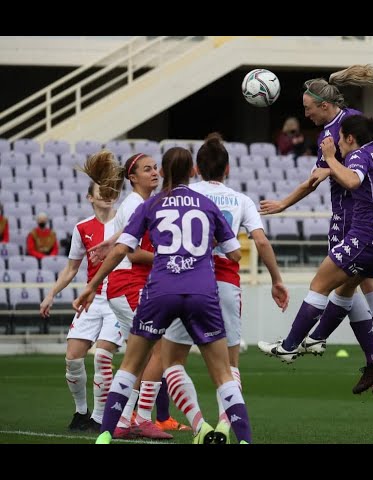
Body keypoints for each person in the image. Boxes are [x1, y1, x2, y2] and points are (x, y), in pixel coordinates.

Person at [73, 146, 253, 444]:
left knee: (131, 364)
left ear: (165, 172)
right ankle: (244, 440)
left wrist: (92, 285)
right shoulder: (207, 204)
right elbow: (234, 253)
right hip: (201, 291)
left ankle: (104, 436)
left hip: (161, 290)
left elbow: (121, 250)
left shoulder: (152, 204)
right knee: (223, 373)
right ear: (193, 171)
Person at [259, 66, 373, 395]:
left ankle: (311, 342)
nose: (305, 114)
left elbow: (316, 179)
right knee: (360, 281)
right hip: (372, 220)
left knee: (335, 282)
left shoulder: (337, 135)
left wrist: (283, 204)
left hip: (352, 219)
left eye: (308, 108)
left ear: (324, 106)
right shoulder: (352, 119)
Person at [162, 132, 289, 444]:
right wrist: (276, 279)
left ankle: (199, 427)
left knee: (172, 362)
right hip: (227, 285)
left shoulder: (185, 194)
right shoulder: (240, 199)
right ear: (227, 169)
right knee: (230, 366)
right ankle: (223, 428)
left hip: (186, 281)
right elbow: (260, 240)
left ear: (196, 169)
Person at [92, 152, 183, 439]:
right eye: (147, 170)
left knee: (140, 354)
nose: (155, 172)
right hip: (129, 282)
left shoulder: (139, 203)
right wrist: (167, 256)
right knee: (159, 349)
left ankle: (123, 420)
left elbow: (121, 238)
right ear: (132, 178)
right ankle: (141, 417)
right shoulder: (135, 204)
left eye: (156, 168)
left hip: (128, 284)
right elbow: (132, 253)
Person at [40, 165, 121, 432]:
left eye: (111, 190)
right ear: (90, 197)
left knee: (102, 357)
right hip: (92, 298)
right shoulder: (82, 228)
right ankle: (81, 412)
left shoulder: (125, 223)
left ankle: (99, 418)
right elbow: (72, 268)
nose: (107, 195)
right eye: (102, 191)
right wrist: (51, 294)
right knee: (73, 358)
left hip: (118, 297)